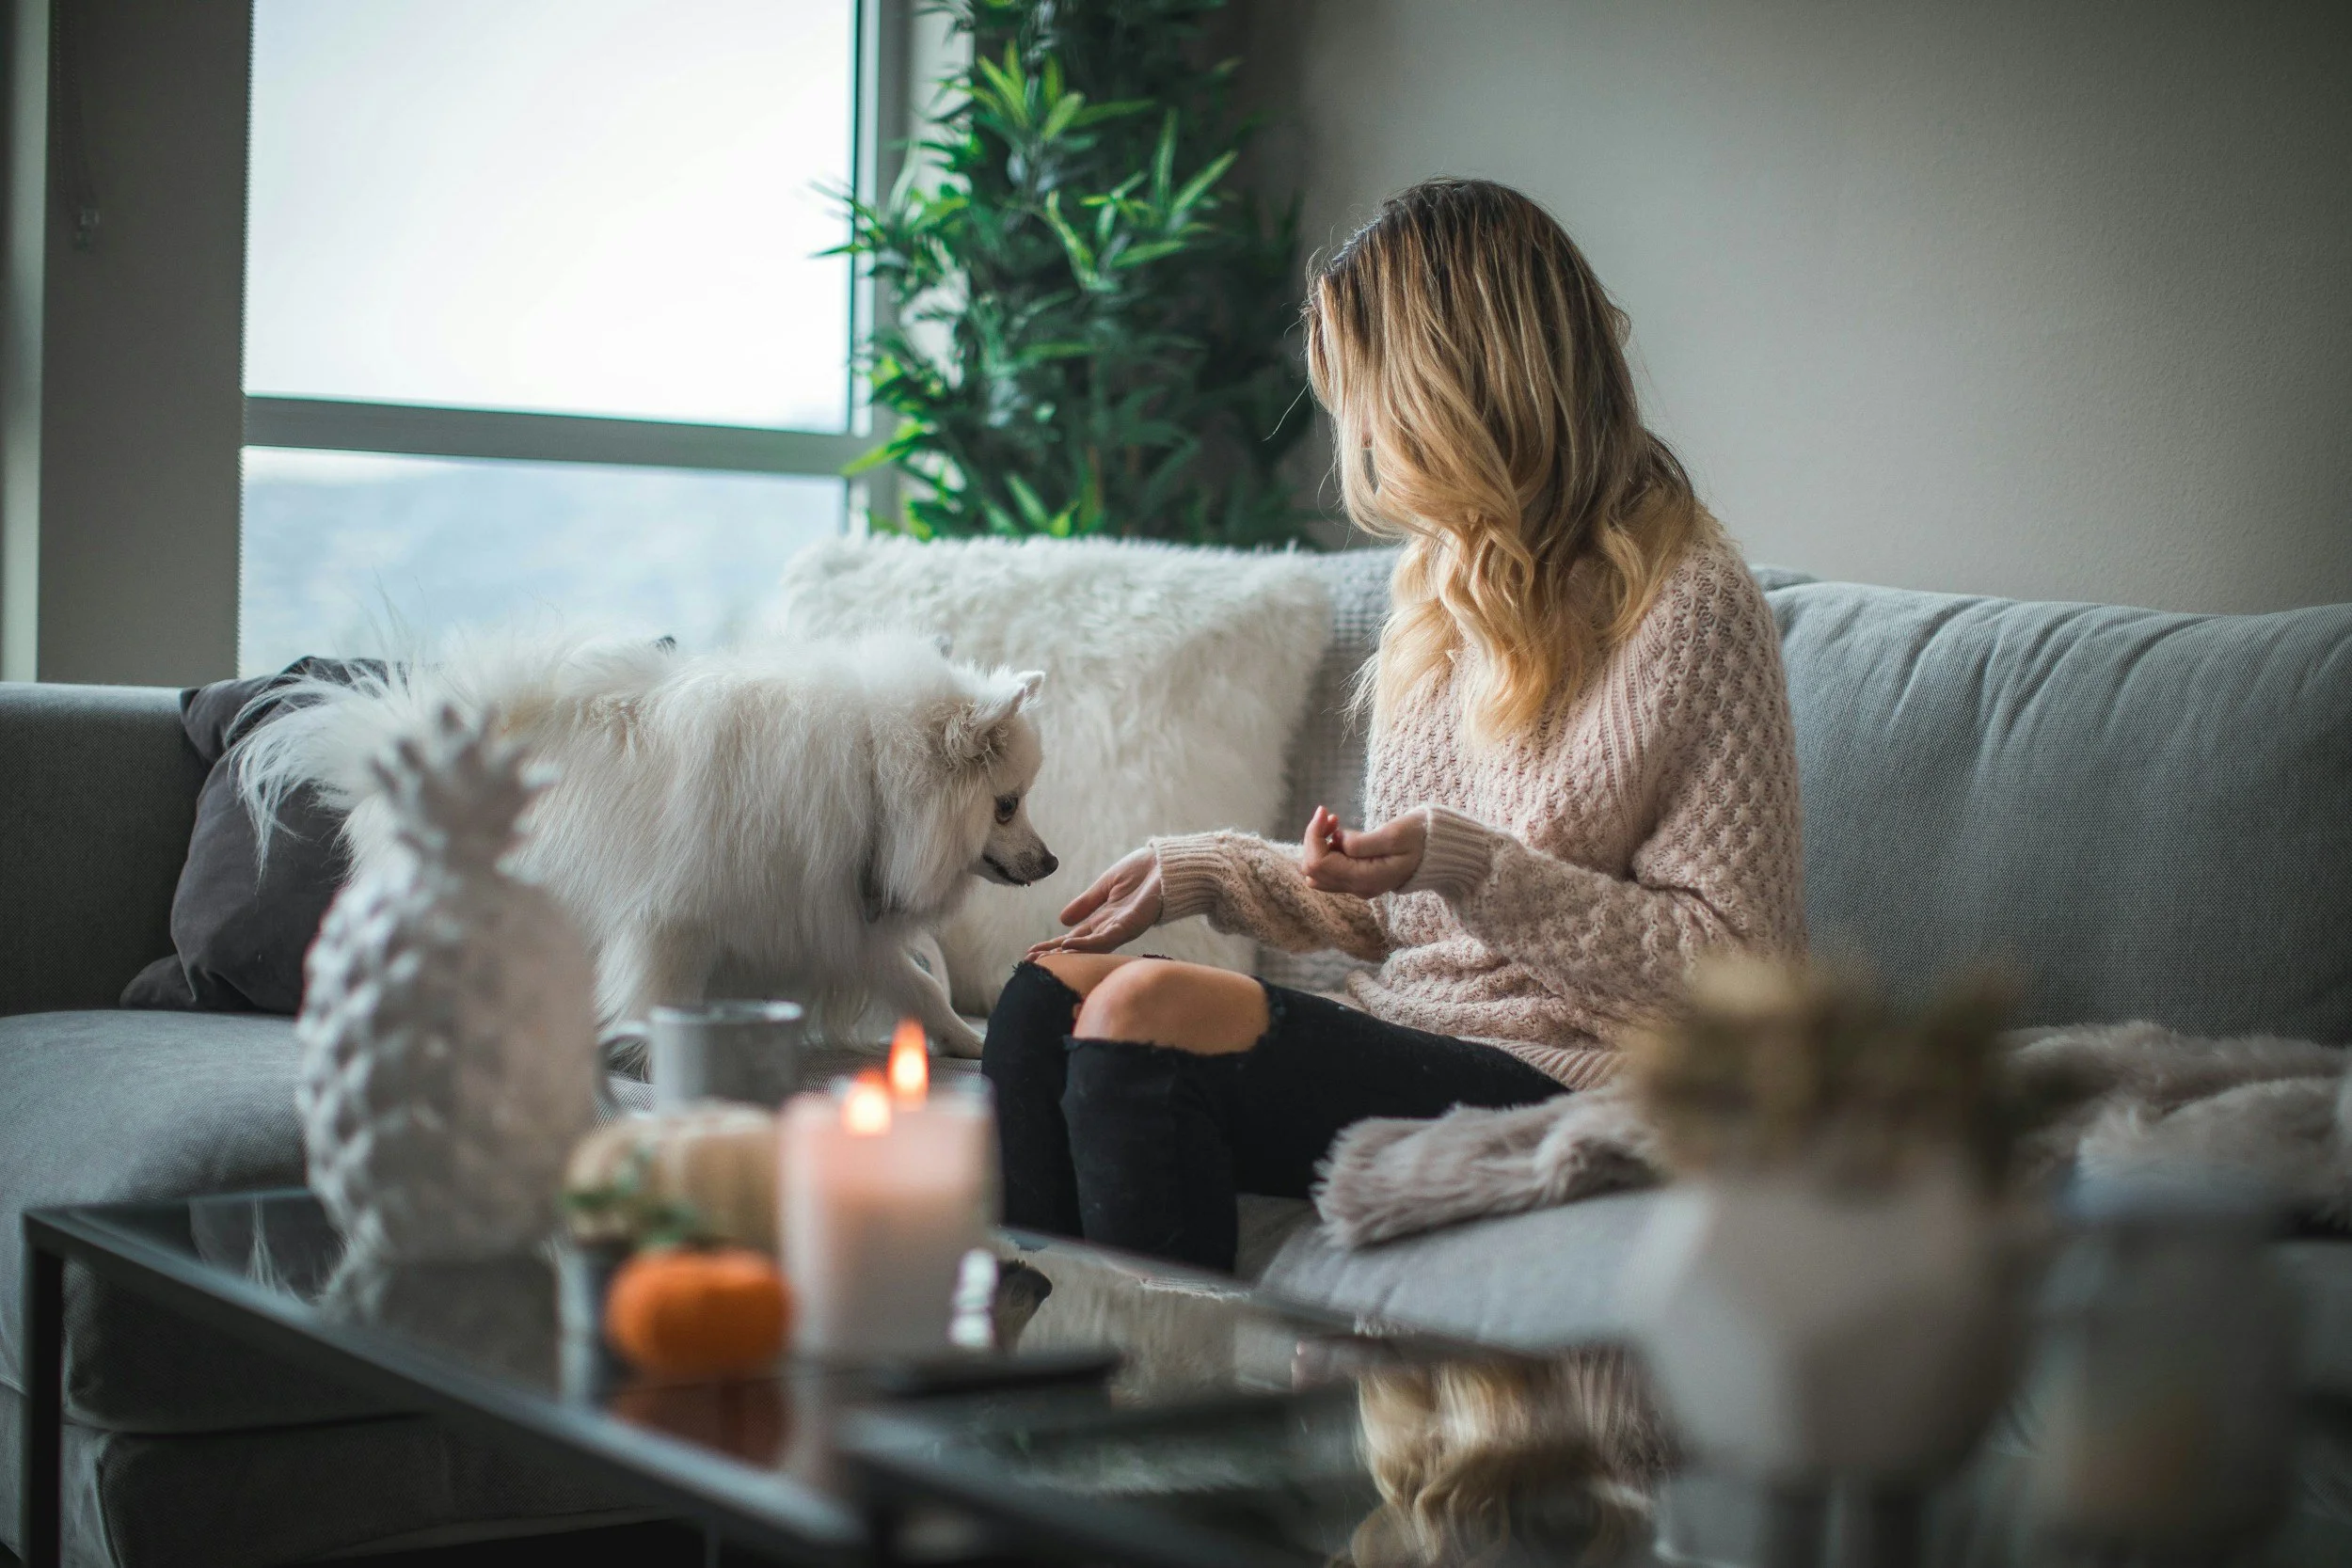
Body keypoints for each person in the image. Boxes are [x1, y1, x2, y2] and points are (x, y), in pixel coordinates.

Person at [981, 177, 1804, 1272]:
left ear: (1455, 385)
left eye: (1367, 393)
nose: (1358, 431)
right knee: (1045, 995)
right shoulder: (1441, 580)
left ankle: (1161, 1432)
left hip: (1582, 1067)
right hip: (1414, 1026)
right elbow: (1404, 913)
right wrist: (1212, 870)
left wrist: (1476, 868)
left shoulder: (1689, 602)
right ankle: (1022, 1399)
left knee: (1144, 1012)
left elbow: (1739, 975)